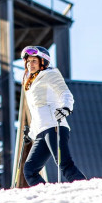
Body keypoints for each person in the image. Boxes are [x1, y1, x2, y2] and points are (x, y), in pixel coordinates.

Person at [21, 46, 87, 186]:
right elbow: (36, 110)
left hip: (54, 126)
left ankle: (85, 188)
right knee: (30, 170)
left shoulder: (50, 74)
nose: (30, 64)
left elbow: (65, 93)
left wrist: (66, 108)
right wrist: (31, 134)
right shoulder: (31, 83)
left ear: (42, 62)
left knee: (64, 163)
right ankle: (48, 196)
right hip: (41, 131)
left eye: (34, 61)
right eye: (28, 61)